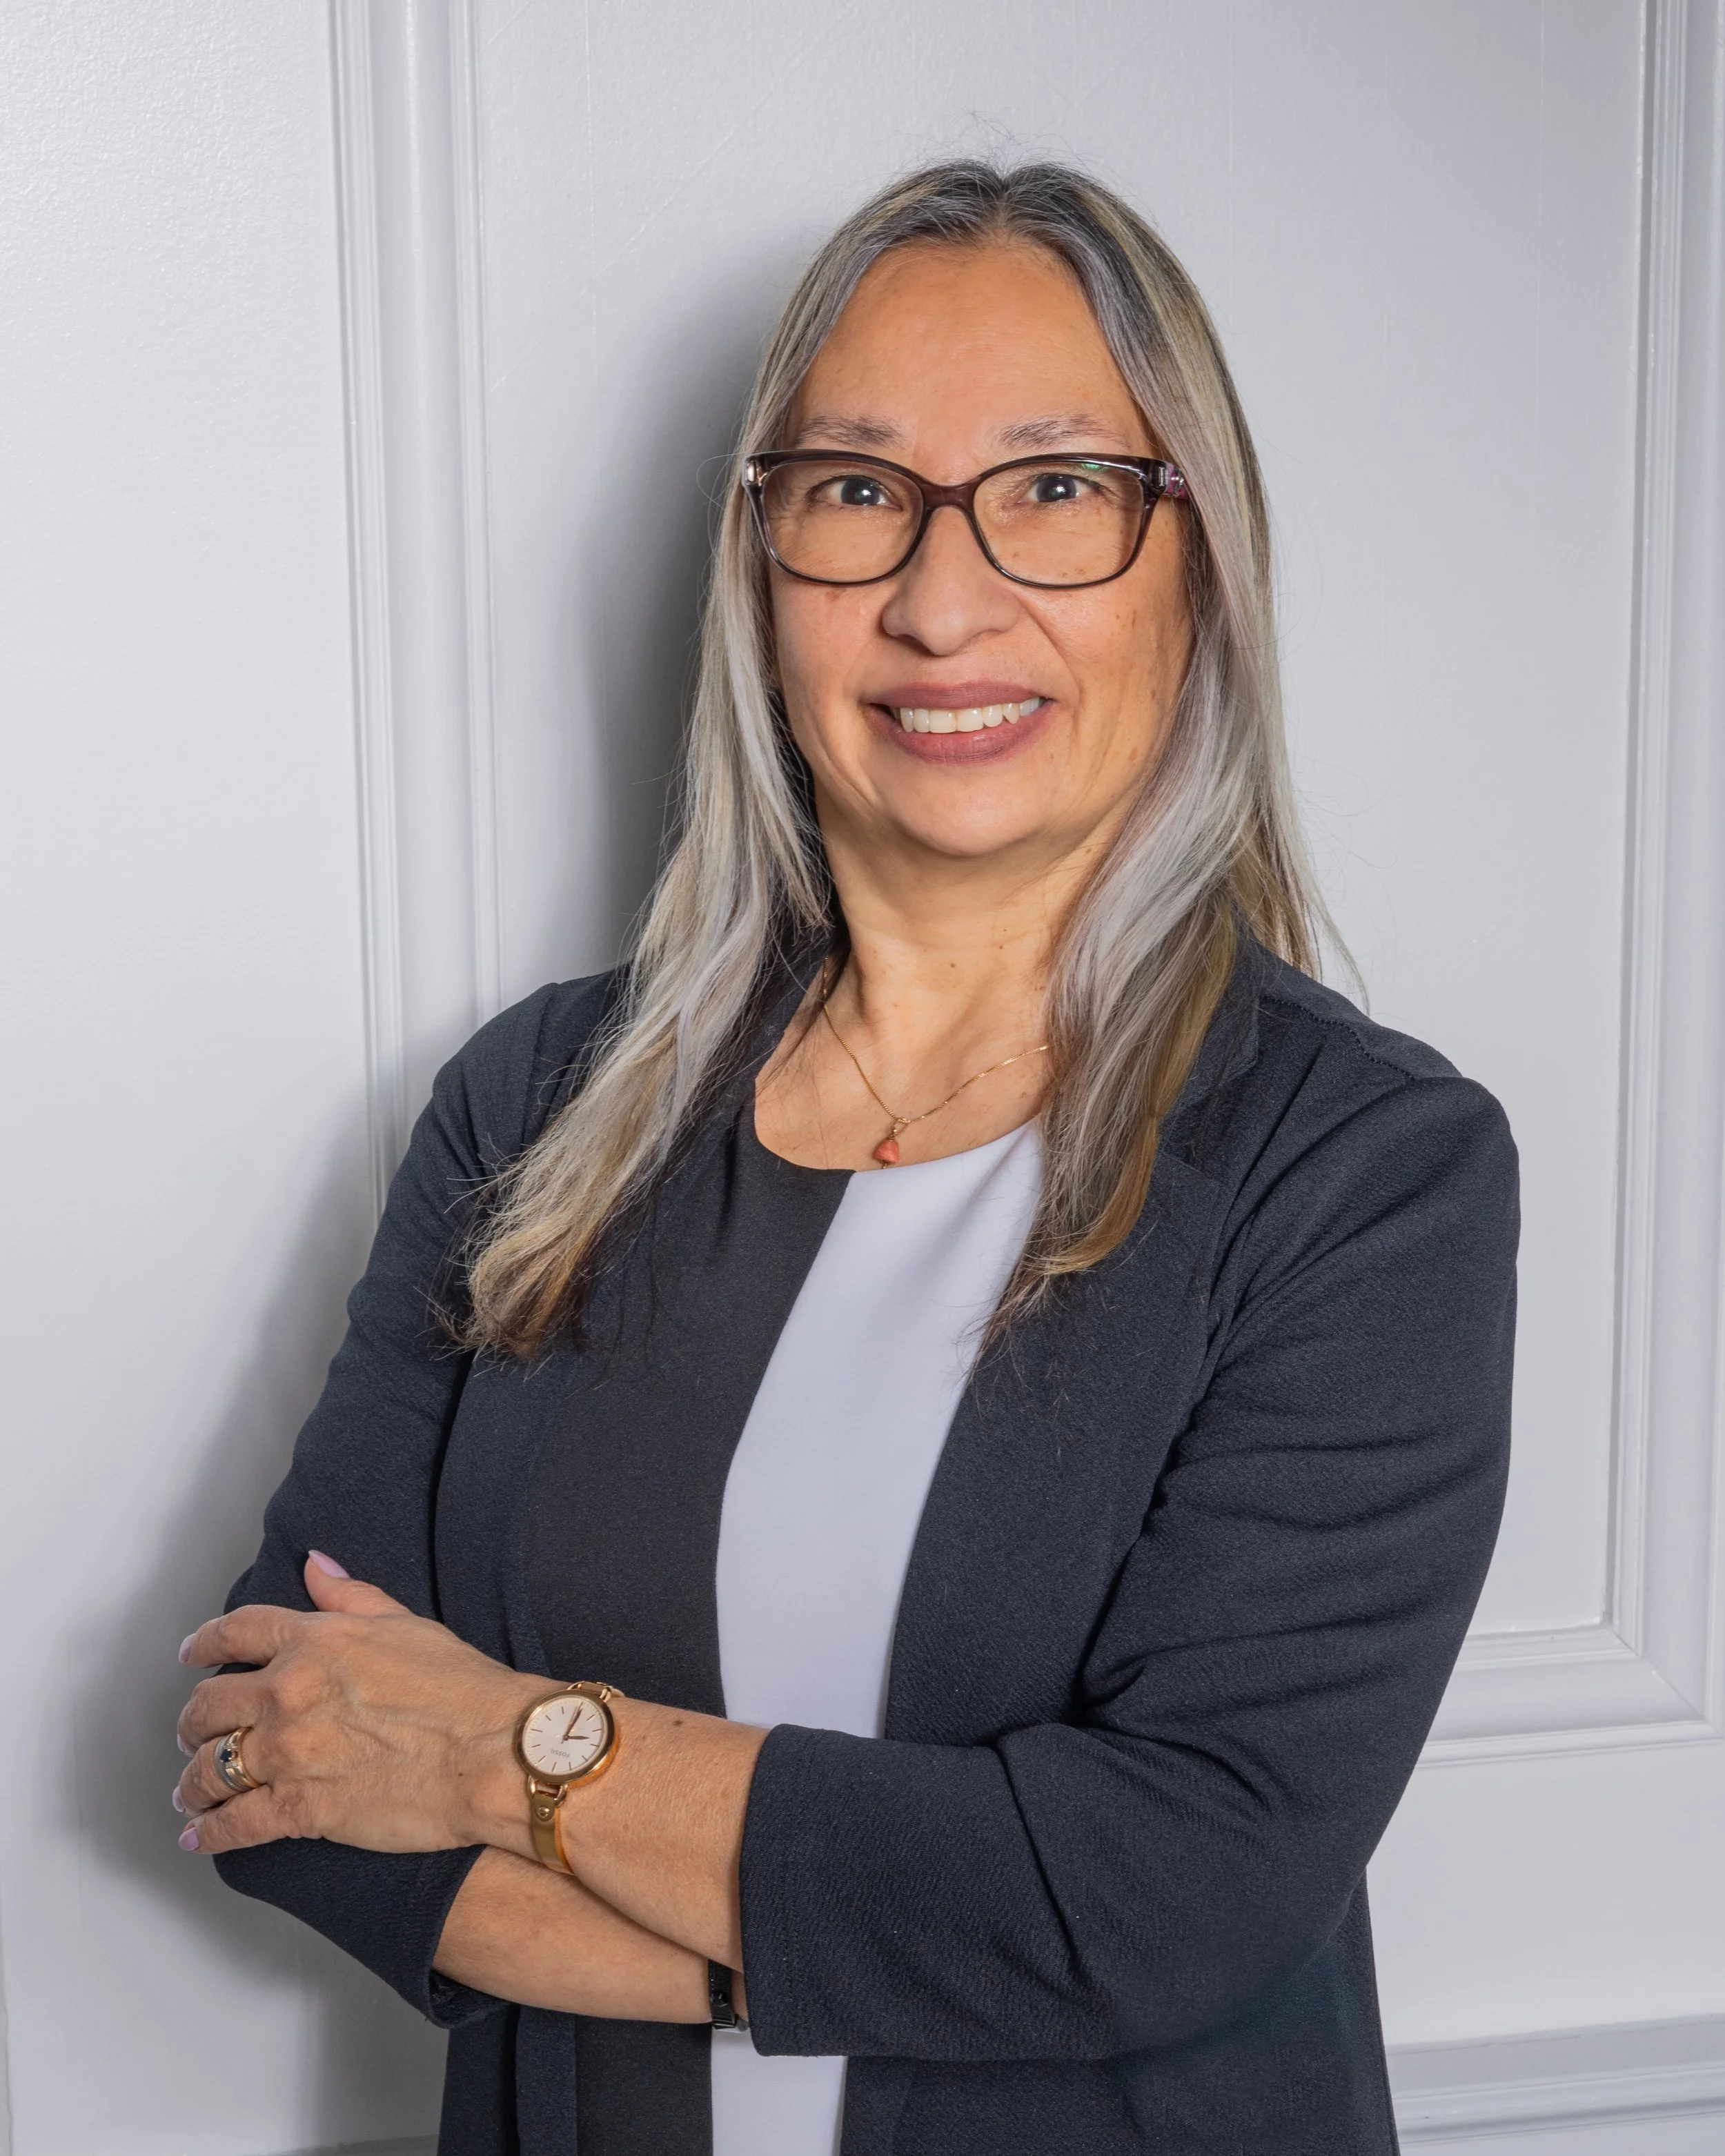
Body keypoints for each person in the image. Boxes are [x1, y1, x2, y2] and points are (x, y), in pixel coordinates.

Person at [171, 159, 1518, 2156]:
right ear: (761, 569)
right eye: (856, 490)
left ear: (1199, 565)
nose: (940, 596)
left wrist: (507, 1746)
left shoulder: (1365, 1171)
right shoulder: (539, 1102)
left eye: (1057, 487)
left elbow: (1167, 1892)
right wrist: (884, 1927)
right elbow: (261, 1741)